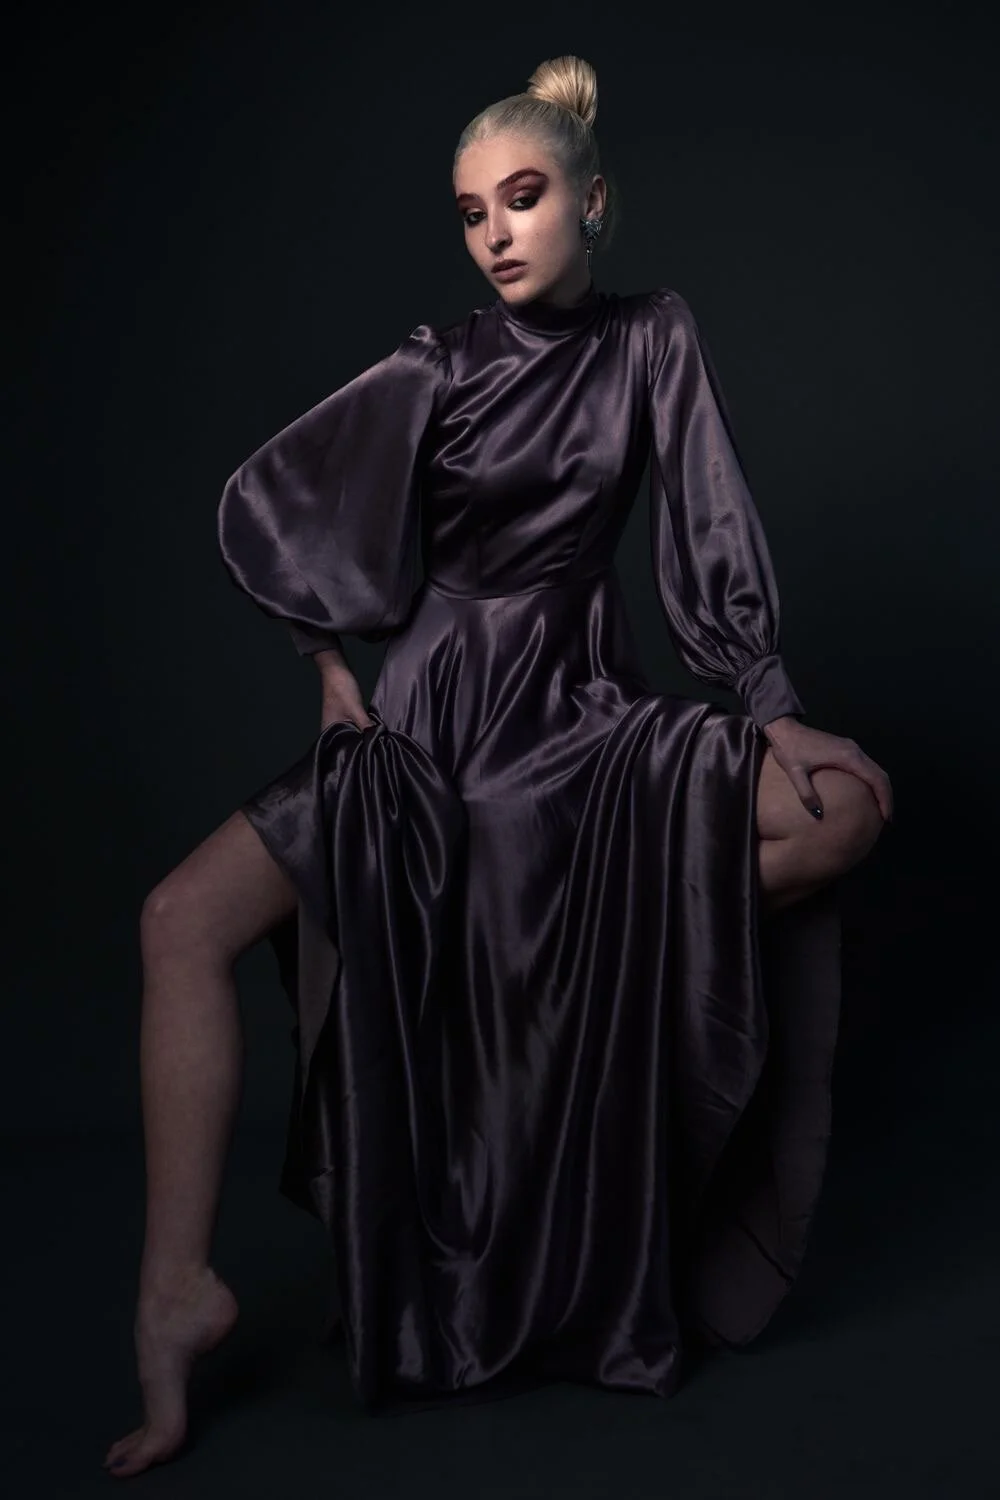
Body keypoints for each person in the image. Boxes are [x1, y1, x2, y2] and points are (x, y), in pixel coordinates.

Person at [104, 53, 892, 1479]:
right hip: (430, 741)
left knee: (848, 810)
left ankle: (603, 975)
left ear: (592, 200)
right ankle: (174, 1296)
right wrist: (333, 671)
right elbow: (276, 505)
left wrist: (768, 704)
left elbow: (708, 523)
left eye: (523, 200)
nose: (496, 234)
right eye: (472, 213)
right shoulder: (439, 363)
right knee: (178, 921)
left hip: (581, 725)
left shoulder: (653, 337)